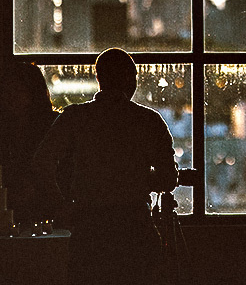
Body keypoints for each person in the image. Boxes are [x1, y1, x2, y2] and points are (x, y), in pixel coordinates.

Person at [32, 48, 178, 285]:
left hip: (89, 229)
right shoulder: (149, 122)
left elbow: (41, 163)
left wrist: (61, 206)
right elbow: (168, 180)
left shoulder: (75, 117)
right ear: (132, 80)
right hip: (135, 227)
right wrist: (135, 178)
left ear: (99, 78)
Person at [0, 62, 58, 226]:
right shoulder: (7, 129)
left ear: (33, 92)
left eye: (16, 90)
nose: (9, 95)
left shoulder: (53, 126)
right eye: (6, 90)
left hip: (45, 208)